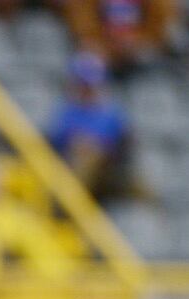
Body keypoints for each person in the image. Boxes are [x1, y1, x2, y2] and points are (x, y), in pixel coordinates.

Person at [46, 53, 133, 201]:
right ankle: (70, 206)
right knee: (84, 157)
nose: (87, 89)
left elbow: (124, 145)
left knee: (142, 190)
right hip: (72, 167)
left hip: (108, 170)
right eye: (83, 84)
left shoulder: (112, 113)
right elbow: (56, 142)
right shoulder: (66, 112)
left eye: (91, 85)